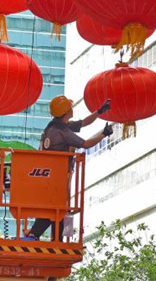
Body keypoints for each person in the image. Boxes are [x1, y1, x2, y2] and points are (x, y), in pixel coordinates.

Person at [25, 95, 113, 240]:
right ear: (66, 112)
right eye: (70, 108)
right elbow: (85, 144)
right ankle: (39, 235)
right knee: (58, 209)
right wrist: (104, 134)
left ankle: (41, 235)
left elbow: (84, 123)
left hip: (49, 177)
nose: (72, 109)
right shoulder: (62, 132)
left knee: (57, 209)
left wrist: (99, 112)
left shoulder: (54, 126)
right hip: (57, 178)